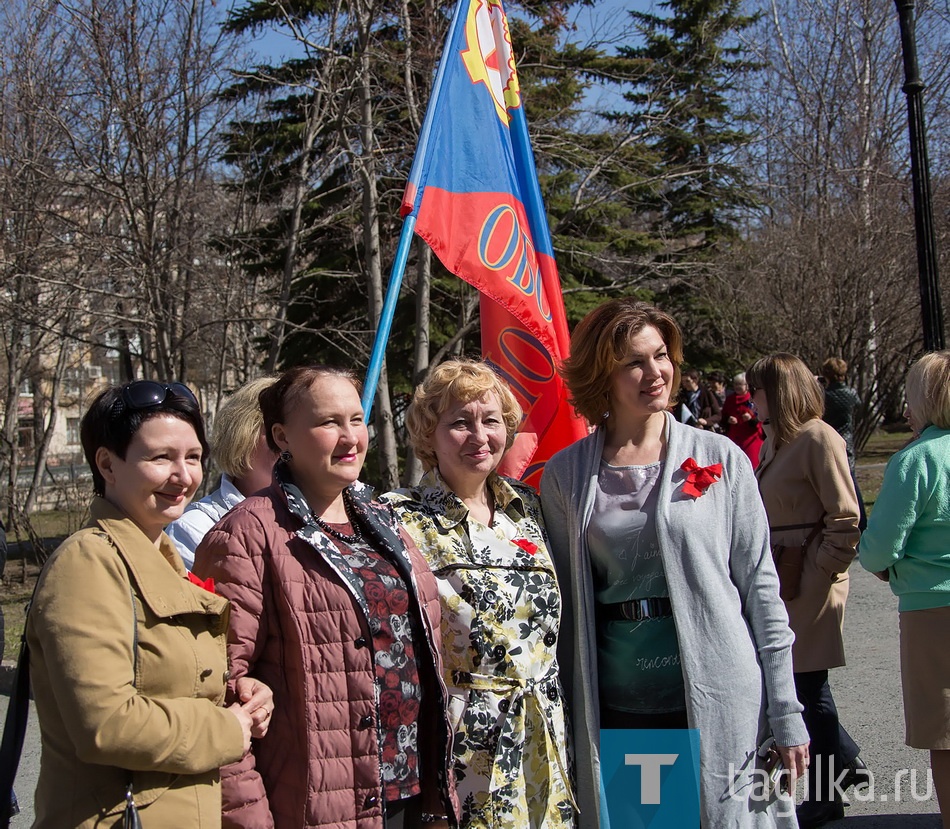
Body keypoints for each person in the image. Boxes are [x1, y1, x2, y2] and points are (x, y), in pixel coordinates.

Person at [540, 298, 808, 828]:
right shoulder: (566, 475)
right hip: (625, 706)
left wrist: (786, 708)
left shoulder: (721, 457)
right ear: (602, 374)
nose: (655, 372)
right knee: (654, 822)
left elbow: (761, 588)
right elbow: (563, 603)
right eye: (633, 362)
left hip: (720, 695)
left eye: (661, 355)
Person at [192, 365, 459, 829]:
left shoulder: (384, 523)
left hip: (408, 793)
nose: (350, 437)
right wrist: (249, 820)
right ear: (282, 435)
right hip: (317, 805)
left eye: (357, 419)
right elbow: (219, 692)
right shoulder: (248, 534)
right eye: (328, 422)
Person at [26, 380, 273, 828]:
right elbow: (107, 724)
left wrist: (239, 692)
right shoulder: (89, 561)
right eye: (161, 458)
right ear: (108, 464)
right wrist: (227, 729)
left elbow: (171, 683)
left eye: (193, 458)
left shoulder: (165, 562)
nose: (183, 477)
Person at [381, 359, 575, 828]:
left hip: (543, 731)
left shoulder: (527, 507)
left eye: (490, 421)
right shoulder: (396, 517)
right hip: (461, 739)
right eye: (459, 423)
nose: (479, 436)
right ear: (429, 434)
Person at [748, 354, 868, 829]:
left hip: (808, 578)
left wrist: (824, 568)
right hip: (784, 574)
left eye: (758, 390)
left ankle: (826, 792)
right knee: (794, 679)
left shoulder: (819, 437)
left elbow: (847, 515)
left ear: (777, 392)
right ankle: (844, 760)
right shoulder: (776, 438)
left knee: (808, 683)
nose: (752, 399)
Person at [858, 351, 950, 829]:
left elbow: (878, 550)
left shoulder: (916, 460)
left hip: (933, 610)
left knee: (945, 734)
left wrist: (878, 560)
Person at [167, 376, 279, 569]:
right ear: (242, 437)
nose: (290, 445)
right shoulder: (195, 528)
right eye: (276, 433)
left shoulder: (331, 512)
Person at [820, 358, 867, 531]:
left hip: (828, 441)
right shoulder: (851, 394)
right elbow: (860, 412)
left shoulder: (824, 395)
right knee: (852, 482)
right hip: (847, 439)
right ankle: (861, 522)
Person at [720, 372, 765, 468]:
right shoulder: (730, 399)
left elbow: (762, 417)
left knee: (752, 466)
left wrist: (751, 418)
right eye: (735, 384)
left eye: (740, 384)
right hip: (734, 438)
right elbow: (723, 416)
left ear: (747, 386)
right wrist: (728, 419)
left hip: (751, 439)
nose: (737, 386)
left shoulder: (753, 398)